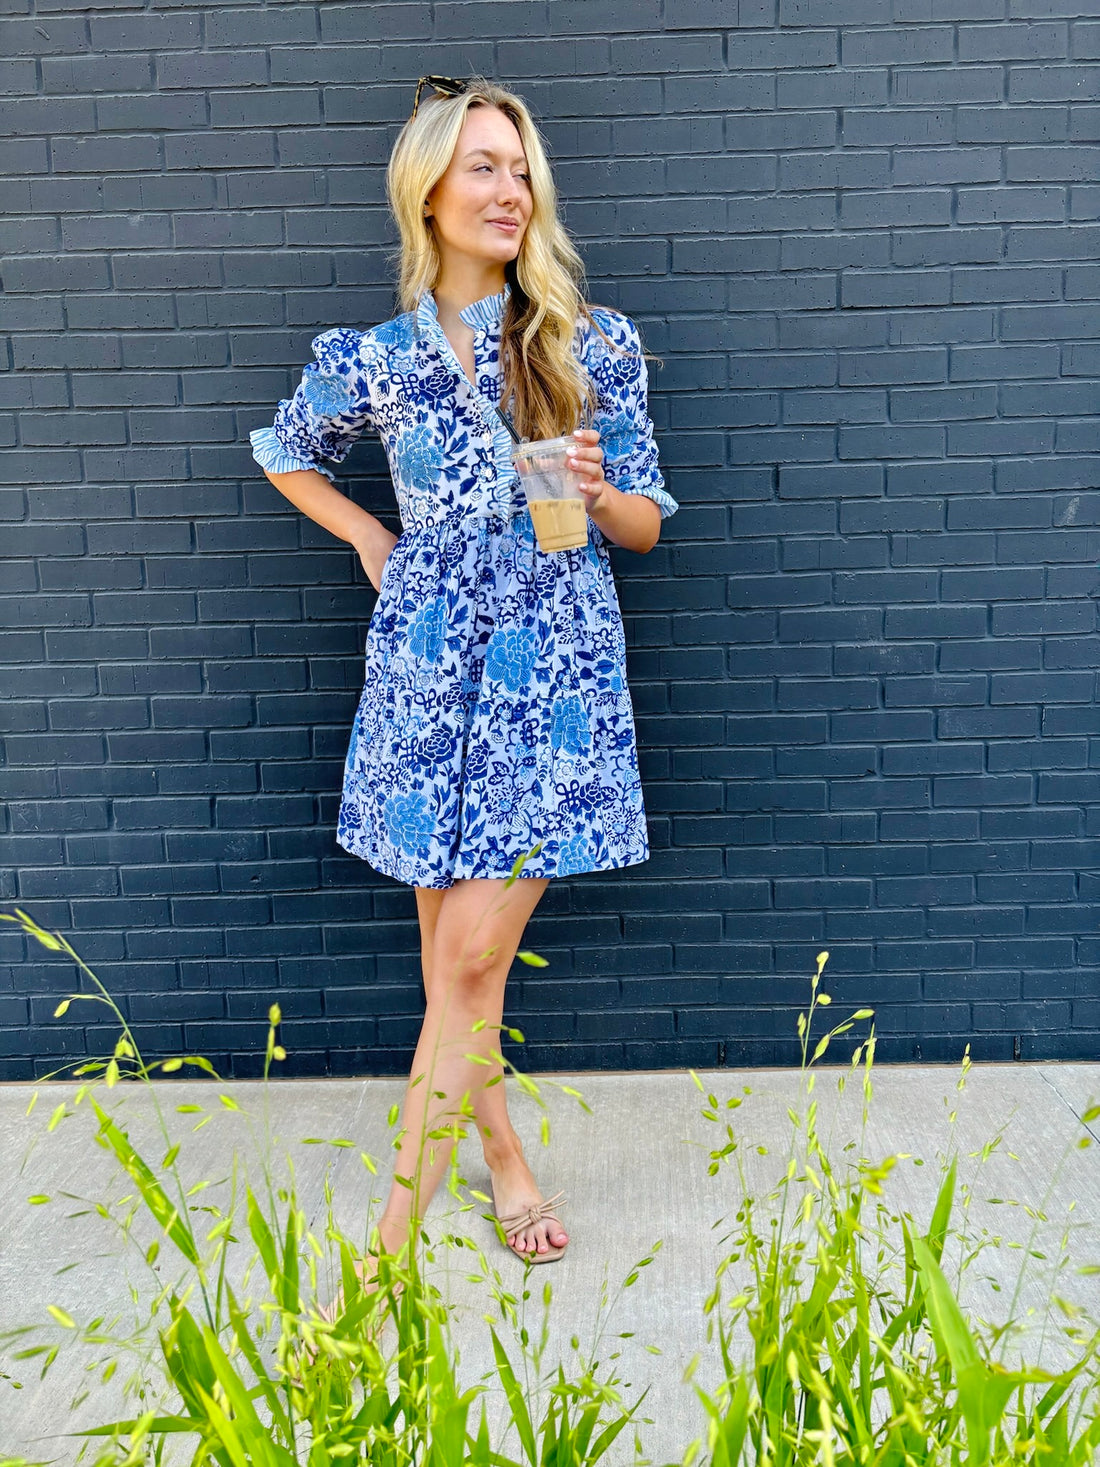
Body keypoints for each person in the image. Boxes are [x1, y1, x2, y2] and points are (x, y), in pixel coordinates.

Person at [249, 75, 678, 1302]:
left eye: (520, 166)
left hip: (553, 674)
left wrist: (596, 494)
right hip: (428, 676)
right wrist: (366, 538)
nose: (509, 188)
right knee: (451, 961)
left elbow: (644, 527)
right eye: (483, 165)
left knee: (473, 962)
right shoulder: (373, 359)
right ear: (427, 193)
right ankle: (502, 1159)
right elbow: (285, 448)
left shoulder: (588, 342)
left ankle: (389, 1239)